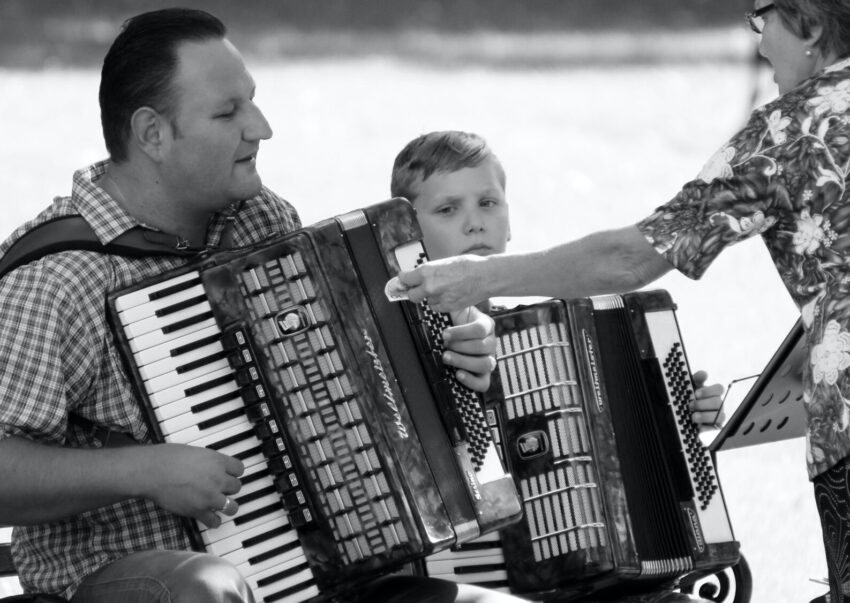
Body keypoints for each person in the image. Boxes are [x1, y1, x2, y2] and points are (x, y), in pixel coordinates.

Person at [0, 9, 517, 603]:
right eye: (228, 113)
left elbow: (356, 384)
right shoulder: (56, 278)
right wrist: (144, 471)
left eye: (253, 102)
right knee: (208, 589)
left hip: (315, 570)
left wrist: (453, 358)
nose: (262, 128)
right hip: (117, 581)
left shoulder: (259, 218)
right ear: (152, 135)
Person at [396, 2, 850, 601]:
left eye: (763, 17)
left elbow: (631, 259)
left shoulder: (795, 130)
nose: (759, 41)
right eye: (449, 210)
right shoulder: (407, 338)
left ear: (812, 28)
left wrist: (478, 281)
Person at [391, 130, 725, 602]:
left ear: (509, 222)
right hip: (494, 581)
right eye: (448, 210)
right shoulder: (407, 349)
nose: (475, 224)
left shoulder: (563, 328)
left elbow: (634, 455)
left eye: (489, 203)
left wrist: (676, 422)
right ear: (409, 238)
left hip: (618, 579)